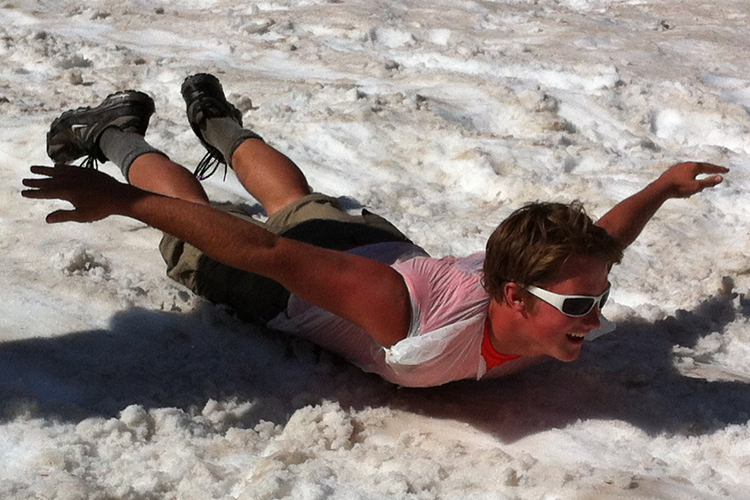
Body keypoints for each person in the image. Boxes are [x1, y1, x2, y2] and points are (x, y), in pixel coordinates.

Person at [22, 74, 728, 387]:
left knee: (295, 198)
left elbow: (602, 241)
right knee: (198, 220)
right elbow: (265, 251)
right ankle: (113, 136)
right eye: (579, 306)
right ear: (514, 295)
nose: (597, 317)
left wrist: (662, 186)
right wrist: (120, 202)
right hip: (327, 277)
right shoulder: (407, 320)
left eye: (596, 299)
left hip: (371, 240)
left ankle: (221, 125)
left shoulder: (555, 290)